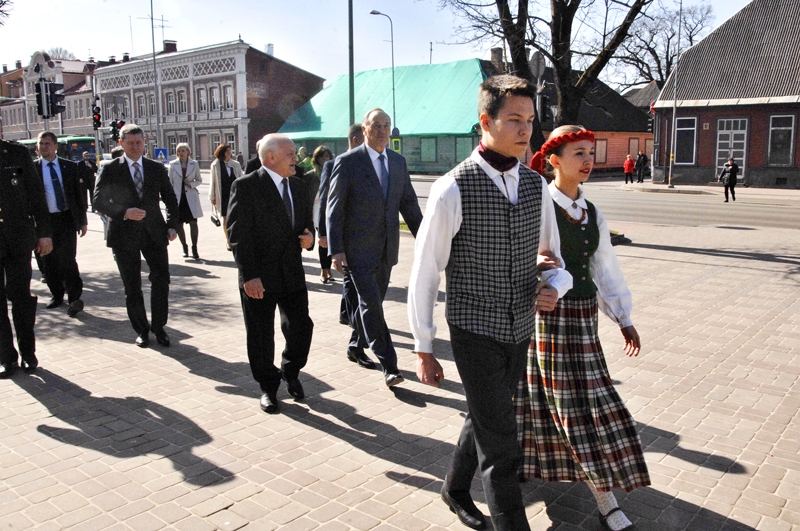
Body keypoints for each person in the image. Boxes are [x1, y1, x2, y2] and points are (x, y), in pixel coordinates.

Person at [408, 74, 572, 530]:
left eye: (531, 121)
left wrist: (553, 286)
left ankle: (454, 488)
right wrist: (424, 345)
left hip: (521, 326)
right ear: (486, 121)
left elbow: (553, 260)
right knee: (502, 442)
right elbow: (425, 271)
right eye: (514, 120)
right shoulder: (452, 189)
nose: (525, 130)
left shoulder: (538, 187)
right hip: (473, 327)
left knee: (488, 414)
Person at [525, 125, 650, 531]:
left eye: (590, 153)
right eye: (579, 153)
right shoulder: (538, 203)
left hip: (583, 320)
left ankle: (535, 469)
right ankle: (605, 500)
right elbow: (524, 259)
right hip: (545, 319)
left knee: (583, 404)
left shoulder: (592, 212)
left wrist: (624, 318)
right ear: (554, 160)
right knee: (562, 406)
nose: (588, 160)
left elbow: (604, 267)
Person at [328, 108, 423, 387]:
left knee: (372, 303)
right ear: (365, 130)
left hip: (387, 248)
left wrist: (428, 240)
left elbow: (409, 205)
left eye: (386, 125)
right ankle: (390, 365)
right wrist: (336, 248)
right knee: (371, 304)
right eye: (376, 125)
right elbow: (335, 209)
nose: (382, 130)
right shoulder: (347, 162)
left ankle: (356, 345)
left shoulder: (397, 161)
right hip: (357, 249)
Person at [227, 134, 315, 414]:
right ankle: (268, 387)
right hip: (259, 277)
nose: (296, 158)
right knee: (261, 335)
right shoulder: (246, 186)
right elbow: (238, 234)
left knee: (301, 328)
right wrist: (248, 275)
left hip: (292, 273)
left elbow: (305, 225)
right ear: (271, 158)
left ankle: (290, 370)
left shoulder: (299, 186)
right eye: (289, 154)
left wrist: (309, 237)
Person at [94, 124, 180, 348]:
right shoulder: (110, 168)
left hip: (154, 233)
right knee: (132, 286)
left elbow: (170, 199)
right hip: (124, 235)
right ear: (121, 144)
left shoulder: (156, 168)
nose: (135, 146)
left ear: (144, 143)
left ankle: (159, 327)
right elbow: (98, 201)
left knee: (161, 280)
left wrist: (172, 226)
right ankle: (141, 329)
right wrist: (124, 213)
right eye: (130, 143)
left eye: (139, 142)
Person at [0, 138, 53, 378]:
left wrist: (44, 233)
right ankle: (5, 356)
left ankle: (27, 352)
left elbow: (35, 194)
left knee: (20, 294)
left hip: (17, 237)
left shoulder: (16, 153)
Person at [34, 132, 88, 318]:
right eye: (41, 143)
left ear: (56, 146)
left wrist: (82, 221)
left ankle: (74, 298)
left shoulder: (69, 167)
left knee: (68, 260)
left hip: (66, 219)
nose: (44, 147)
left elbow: (79, 196)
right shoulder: (33, 169)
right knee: (48, 261)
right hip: (44, 221)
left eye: (47, 143)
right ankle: (57, 295)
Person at [319, 124, 365, 327]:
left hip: (361, 234)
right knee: (350, 277)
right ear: (356, 140)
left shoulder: (367, 164)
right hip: (342, 232)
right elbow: (325, 202)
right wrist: (323, 233)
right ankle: (350, 316)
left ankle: (347, 313)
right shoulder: (333, 164)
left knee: (350, 278)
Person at [302, 146, 334, 283]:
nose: (325, 159)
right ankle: (323, 271)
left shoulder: (333, 173)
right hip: (314, 209)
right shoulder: (310, 175)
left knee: (326, 239)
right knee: (320, 238)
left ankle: (328, 270)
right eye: (322, 157)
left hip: (328, 209)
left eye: (327, 156)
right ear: (316, 159)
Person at [168, 143, 203, 259]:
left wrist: (191, 184)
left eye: (183, 151)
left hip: (191, 197)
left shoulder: (194, 164)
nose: (181, 153)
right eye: (179, 151)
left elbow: (199, 180)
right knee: (179, 224)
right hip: (178, 198)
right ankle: (184, 247)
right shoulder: (173, 165)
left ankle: (195, 248)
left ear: (188, 152)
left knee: (193, 223)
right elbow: (170, 182)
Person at [209, 143, 243, 251]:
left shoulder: (236, 164)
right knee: (225, 219)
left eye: (230, 150)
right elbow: (213, 182)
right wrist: (212, 196)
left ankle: (236, 238)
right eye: (226, 151)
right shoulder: (215, 165)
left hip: (235, 195)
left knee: (236, 218)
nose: (229, 153)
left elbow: (241, 179)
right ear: (221, 152)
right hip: (222, 195)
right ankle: (228, 241)